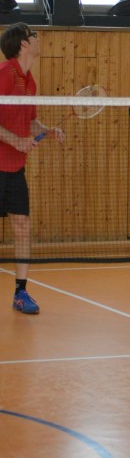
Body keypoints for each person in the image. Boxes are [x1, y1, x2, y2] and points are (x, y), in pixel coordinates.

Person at [0, 23, 65, 314]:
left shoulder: (30, 82)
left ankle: (20, 292)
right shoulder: (4, 74)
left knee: (22, 227)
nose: (39, 39)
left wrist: (47, 131)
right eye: (34, 36)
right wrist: (15, 140)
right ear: (23, 44)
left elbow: (30, 121)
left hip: (15, 168)